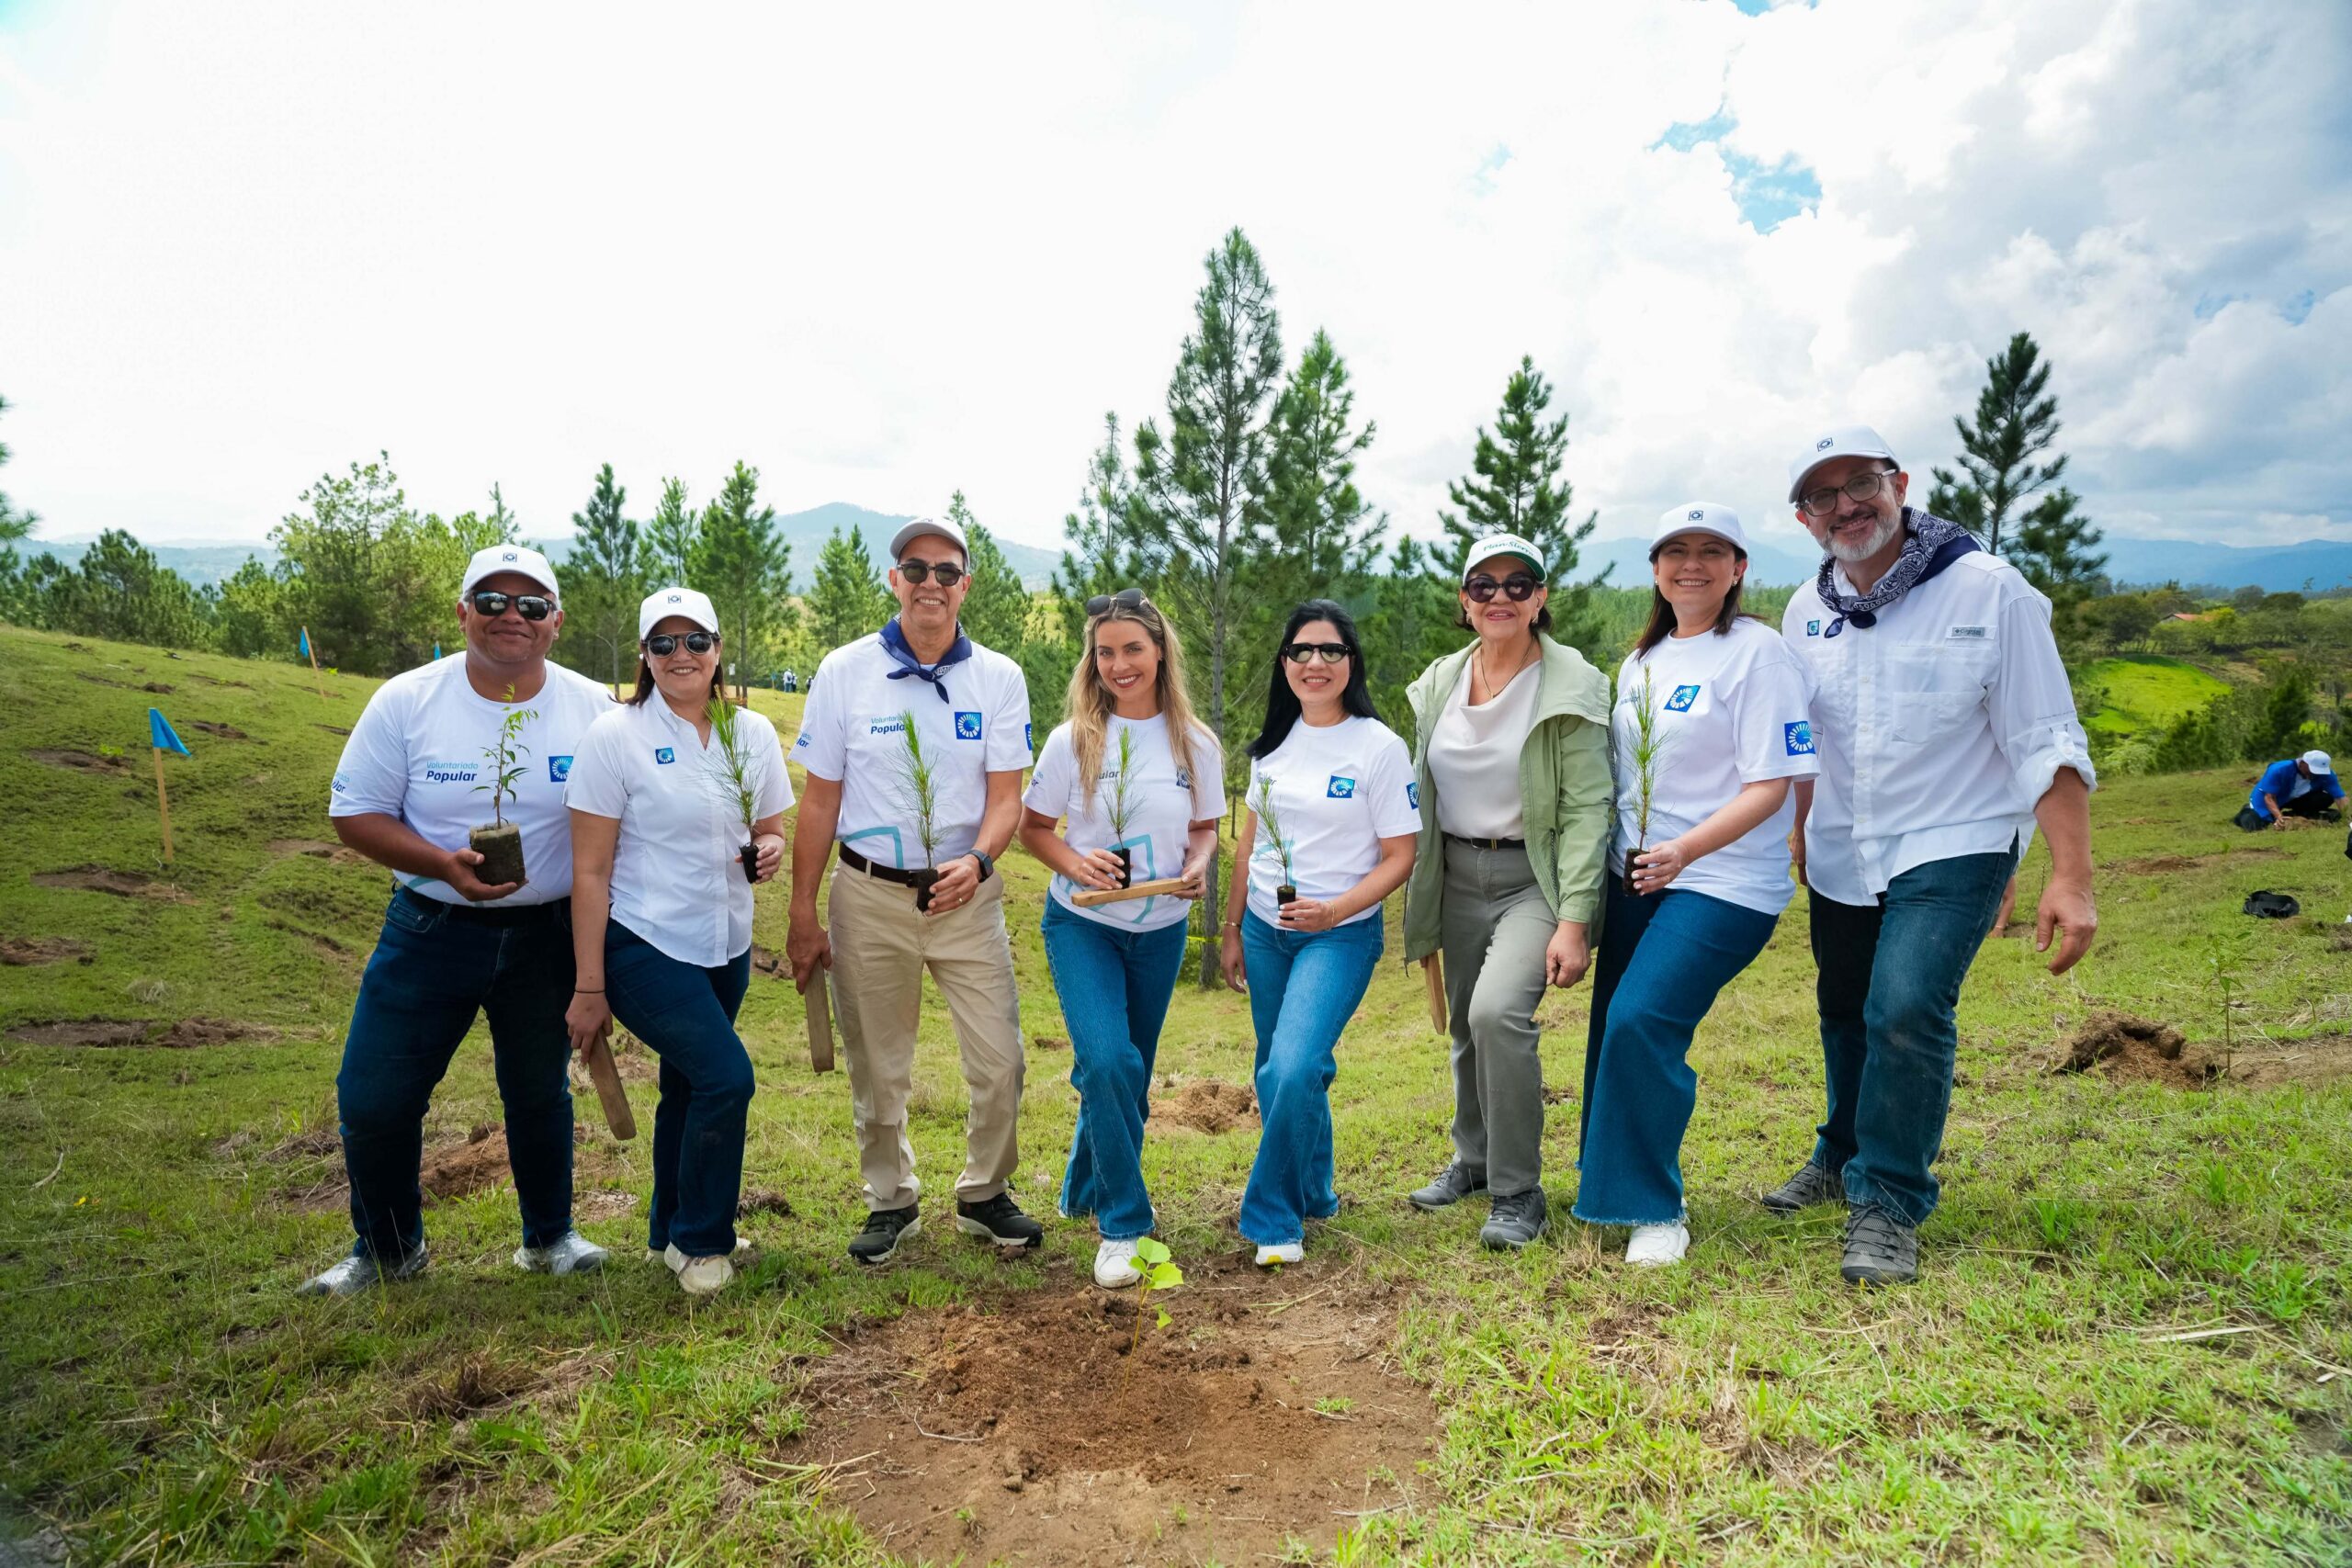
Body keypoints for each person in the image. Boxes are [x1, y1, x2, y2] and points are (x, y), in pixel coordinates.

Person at [1776, 424, 2097, 1286]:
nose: (1847, 506)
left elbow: (2044, 736)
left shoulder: (1990, 590)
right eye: (1823, 495)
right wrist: (1800, 828)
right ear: (1804, 519)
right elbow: (1808, 740)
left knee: (1907, 1004)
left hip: (1957, 836)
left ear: (1900, 483)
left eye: (1862, 483)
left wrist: (2070, 876)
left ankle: (1889, 1198)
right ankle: (1840, 1150)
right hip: (1843, 844)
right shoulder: (1807, 611)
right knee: (1844, 1005)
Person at [302, 546, 615, 1296]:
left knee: (538, 1093)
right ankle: (388, 1250)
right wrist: (441, 864)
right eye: (493, 600)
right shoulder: (407, 700)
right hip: (429, 930)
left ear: (557, 621)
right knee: (375, 1096)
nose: (512, 616)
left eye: (532, 604)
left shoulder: (594, 708)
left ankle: (549, 1237)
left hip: (546, 936)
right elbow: (354, 812)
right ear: (463, 611)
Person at [786, 514, 1041, 1266]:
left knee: (1001, 1059)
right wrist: (802, 912)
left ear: (966, 585)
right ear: (894, 580)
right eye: (917, 569)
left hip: (967, 897)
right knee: (877, 1062)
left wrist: (981, 861)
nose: (932, 582)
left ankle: (984, 1192)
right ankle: (890, 1198)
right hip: (869, 896)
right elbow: (820, 802)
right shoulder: (843, 671)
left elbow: (1006, 798)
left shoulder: (999, 677)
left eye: (947, 571)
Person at [1574, 505, 1818, 1266]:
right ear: (1654, 570)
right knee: (1612, 1023)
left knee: (1642, 1017)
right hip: (1637, 874)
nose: (1693, 564)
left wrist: (1683, 850)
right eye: (1675, 550)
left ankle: (1656, 1208)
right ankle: (1606, 1184)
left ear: (1738, 567)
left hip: (1722, 879)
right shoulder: (1641, 661)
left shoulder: (1758, 655)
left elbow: (1771, 786)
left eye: (1713, 550)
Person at [562, 588, 791, 1296]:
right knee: (727, 1076)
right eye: (663, 643)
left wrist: (771, 848)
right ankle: (702, 1241)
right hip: (644, 941)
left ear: (718, 649)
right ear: (644, 655)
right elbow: (589, 870)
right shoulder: (615, 737)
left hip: (726, 942)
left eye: (695, 640)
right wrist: (590, 984)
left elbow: (772, 826)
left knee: (688, 1084)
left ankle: (668, 1231)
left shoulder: (750, 732)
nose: (680, 654)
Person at [1398, 532, 1611, 1251]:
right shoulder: (1439, 682)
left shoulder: (1572, 684)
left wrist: (1575, 918)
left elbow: (1588, 809)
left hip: (1535, 877)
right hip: (1456, 872)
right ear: (1464, 600)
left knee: (1497, 1013)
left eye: (1519, 584)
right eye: (1483, 585)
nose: (1501, 597)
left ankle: (1519, 1190)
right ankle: (1475, 1159)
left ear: (1540, 597)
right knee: (1465, 1024)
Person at [1016, 590, 1221, 1288]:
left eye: (1133, 648)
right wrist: (1078, 864)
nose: (1119, 664)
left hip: (1160, 931)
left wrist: (1197, 866)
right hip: (1083, 924)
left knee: (1126, 1074)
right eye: (1105, 652)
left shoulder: (1195, 743)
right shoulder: (1073, 740)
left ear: (1160, 651)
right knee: (1107, 1061)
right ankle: (1124, 1226)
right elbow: (1033, 829)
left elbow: (1203, 829)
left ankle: (1082, 1185)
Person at [1220, 601, 1419, 1267]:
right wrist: (1231, 927)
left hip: (1339, 935)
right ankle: (1314, 1191)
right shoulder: (1273, 745)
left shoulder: (1378, 748)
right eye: (1301, 650)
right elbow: (1249, 843)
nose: (1315, 662)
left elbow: (1401, 856)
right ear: (1284, 663)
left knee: (1295, 1064)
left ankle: (1271, 1217)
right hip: (1264, 931)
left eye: (1330, 650)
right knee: (1278, 1068)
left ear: (1350, 662)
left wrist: (1334, 911)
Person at [2235, 750, 2341, 831]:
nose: (2315, 774)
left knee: (2325, 798)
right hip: (2268, 800)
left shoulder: (2326, 774)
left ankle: (2294, 814)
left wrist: (2347, 818)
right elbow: (2269, 797)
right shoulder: (2279, 769)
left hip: (2294, 799)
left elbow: (2340, 797)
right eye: (2313, 770)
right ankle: (2246, 811)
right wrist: (2279, 817)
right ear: (2302, 763)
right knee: (2254, 826)